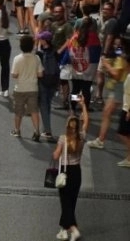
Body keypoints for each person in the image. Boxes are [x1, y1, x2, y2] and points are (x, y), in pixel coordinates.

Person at [52, 95, 89, 241]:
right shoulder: (82, 136)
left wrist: (56, 152)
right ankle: (63, 230)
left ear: (67, 127)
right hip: (77, 172)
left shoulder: (62, 139)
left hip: (65, 172)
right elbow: (86, 121)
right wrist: (83, 105)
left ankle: (73, 229)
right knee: (71, 203)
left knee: (65, 203)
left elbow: (56, 156)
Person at [10, 35, 43, 140]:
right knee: (34, 111)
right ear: (32, 46)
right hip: (33, 88)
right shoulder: (36, 58)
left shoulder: (17, 59)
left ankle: (17, 130)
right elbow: (40, 74)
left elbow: (14, 75)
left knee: (18, 111)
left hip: (20, 88)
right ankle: (37, 131)